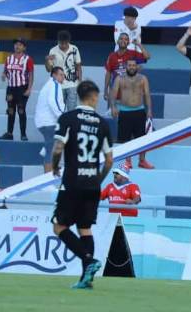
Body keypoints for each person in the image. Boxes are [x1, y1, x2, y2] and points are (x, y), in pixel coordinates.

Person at [51, 80, 114, 290]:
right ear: (94, 97)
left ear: (79, 96)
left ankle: (88, 261)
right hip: (92, 185)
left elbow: (58, 148)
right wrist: (98, 180)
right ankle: (86, 279)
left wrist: (54, 167)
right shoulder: (102, 123)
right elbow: (109, 161)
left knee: (59, 226)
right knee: (85, 229)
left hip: (72, 182)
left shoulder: (68, 118)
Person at [111, 58, 154, 169]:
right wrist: (113, 107)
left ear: (137, 67)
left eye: (133, 65)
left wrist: (149, 110)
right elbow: (113, 94)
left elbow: (147, 95)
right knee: (125, 139)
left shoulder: (143, 78)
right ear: (126, 66)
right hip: (124, 112)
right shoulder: (119, 79)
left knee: (142, 139)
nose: (131, 67)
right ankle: (128, 161)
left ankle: (142, 161)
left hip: (139, 111)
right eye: (129, 65)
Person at [0, 39, 35, 142]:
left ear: (24, 47)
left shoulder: (27, 59)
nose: (17, 46)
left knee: (21, 110)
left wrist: (29, 89)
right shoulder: (9, 58)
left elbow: (31, 75)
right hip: (11, 88)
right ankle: (9, 133)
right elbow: (6, 71)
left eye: (20, 45)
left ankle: (23, 134)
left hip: (22, 88)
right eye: (16, 44)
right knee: (10, 110)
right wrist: (3, 75)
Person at [34, 66, 67, 158]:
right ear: (54, 75)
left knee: (52, 147)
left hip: (44, 121)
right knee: (51, 153)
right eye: (60, 75)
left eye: (63, 75)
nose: (63, 77)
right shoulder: (55, 84)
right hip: (48, 122)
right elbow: (53, 102)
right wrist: (63, 117)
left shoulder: (48, 85)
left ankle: (45, 148)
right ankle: (49, 171)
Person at [47, 30, 83, 110]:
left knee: (72, 110)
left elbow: (78, 67)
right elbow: (49, 70)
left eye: (65, 43)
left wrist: (80, 82)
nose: (63, 45)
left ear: (68, 41)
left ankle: (71, 123)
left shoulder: (74, 49)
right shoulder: (53, 51)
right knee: (59, 110)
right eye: (61, 43)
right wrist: (47, 61)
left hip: (72, 85)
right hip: (58, 86)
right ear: (58, 41)